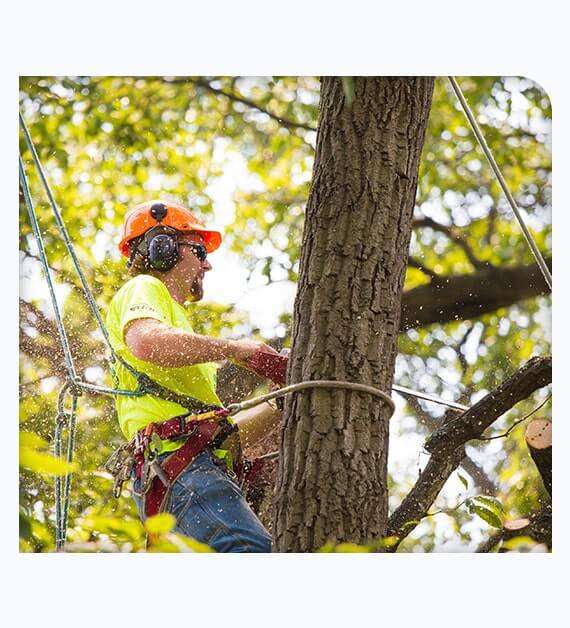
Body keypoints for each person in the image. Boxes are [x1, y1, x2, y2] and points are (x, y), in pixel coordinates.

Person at [106, 199, 281, 552]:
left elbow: (221, 436)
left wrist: (281, 404)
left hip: (191, 470)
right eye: (198, 250)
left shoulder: (177, 320)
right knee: (249, 550)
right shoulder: (144, 288)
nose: (207, 263)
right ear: (163, 249)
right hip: (183, 470)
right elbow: (147, 343)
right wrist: (237, 349)